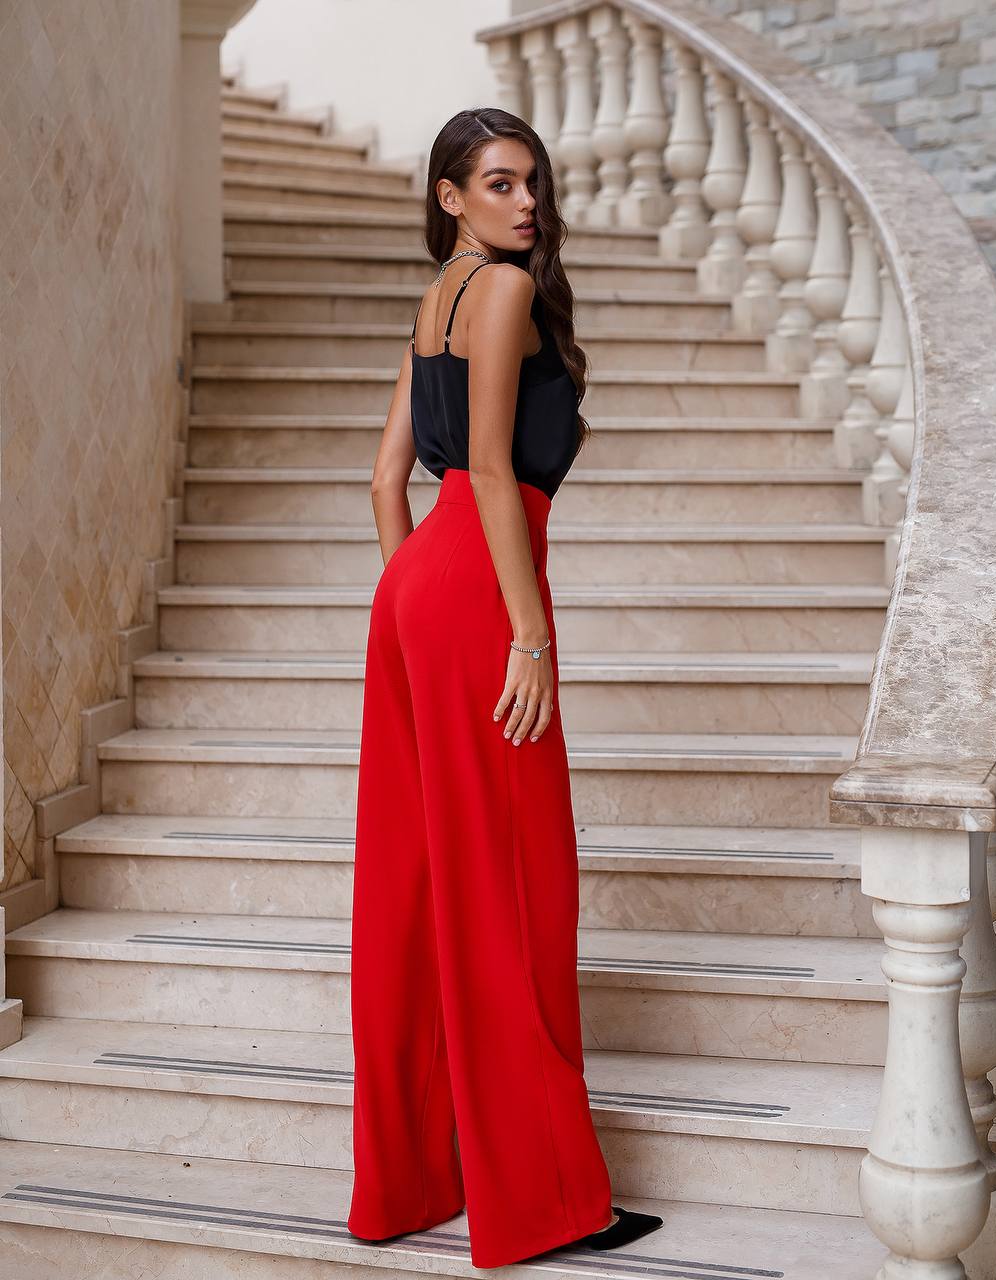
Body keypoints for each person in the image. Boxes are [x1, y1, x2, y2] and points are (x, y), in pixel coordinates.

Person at [344, 107, 664, 1270]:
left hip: (420, 592)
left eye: (531, 181)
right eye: (496, 182)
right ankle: (539, 1202)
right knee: (515, 892)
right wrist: (524, 633)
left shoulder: (436, 302)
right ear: (448, 196)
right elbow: (485, 466)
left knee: (419, 887)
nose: (524, 201)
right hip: (482, 589)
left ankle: (410, 1182)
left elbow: (386, 480)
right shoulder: (509, 296)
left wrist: (413, 605)